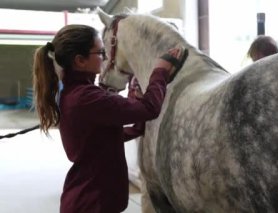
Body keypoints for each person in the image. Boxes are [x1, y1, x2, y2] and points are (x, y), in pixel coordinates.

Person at [32, 24, 187, 213]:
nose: (105, 58)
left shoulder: (77, 93)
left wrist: (134, 110)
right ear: (80, 60)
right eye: (101, 53)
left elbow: (103, 137)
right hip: (92, 202)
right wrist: (160, 71)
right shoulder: (86, 97)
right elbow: (149, 108)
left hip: (89, 199)